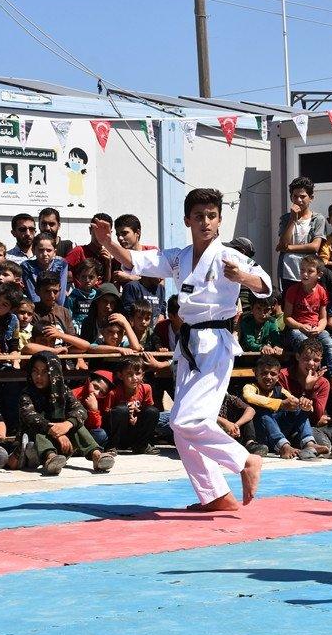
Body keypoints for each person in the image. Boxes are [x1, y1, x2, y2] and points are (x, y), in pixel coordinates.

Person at [93, 187, 271, 512]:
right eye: (199, 216)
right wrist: (109, 243)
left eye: (212, 216)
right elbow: (136, 260)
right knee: (179, 427)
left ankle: (245, 460)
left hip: (216, 344)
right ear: (187, 219)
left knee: (189, 421)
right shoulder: (178, 257)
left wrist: (243, 277)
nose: (206, 222)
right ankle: (217, 496)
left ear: (219, 220)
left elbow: (267, 285)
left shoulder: (229, 256)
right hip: (187, 344)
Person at [18, 352, 114, 476]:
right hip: (38, 441)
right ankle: (50, 459)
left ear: (54, 373)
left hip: (63, 441)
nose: (38, 376)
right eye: (35, 371)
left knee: (77, 424)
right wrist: (57, 432)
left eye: (45, 372)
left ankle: (96, 455)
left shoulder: (63, 390)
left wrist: (67, 424)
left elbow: (80, 410)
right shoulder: (27, 393)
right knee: (37, 429)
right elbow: (31, 417)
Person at [243, 354, 320, 460]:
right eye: (264, 373)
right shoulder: (250, 387)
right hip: (260, 436)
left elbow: (294, 401)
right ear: (255, 373)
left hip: (278, 432)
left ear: (278, 376)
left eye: (273, 374)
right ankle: (284, 447)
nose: (268, 377)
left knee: (298, 410)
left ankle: (309, 443)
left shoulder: (280, 390)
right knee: (263, 413)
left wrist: (305, 405)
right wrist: (281, 404)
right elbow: (249, 397)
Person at [283, 255, 332, 387]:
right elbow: (287, 317)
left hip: (315, 328)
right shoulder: (293, 290)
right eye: (302, 270)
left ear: (319, 274)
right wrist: (301, 326)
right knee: (301, 341)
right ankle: (308, 374)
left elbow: (323, 318)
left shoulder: (321, 292)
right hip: (298, 328)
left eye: (310, 271)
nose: (305, 274)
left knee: (328, 341)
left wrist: (319, 329)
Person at [277, 177, 328, 294]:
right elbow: (283, 243)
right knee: (289, 304)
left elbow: (315, 246)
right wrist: (292, 220)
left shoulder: (318, 219)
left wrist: (289, 248)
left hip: (309, 272)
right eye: (295, 196)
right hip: (288, 271)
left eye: (303, 196)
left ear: (311, 198)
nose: (299, 200)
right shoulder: (285, 218)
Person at [22, 233, 70, 306]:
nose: (45, 254)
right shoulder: (27, 266)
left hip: (57, 306)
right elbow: (32, 293)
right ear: (33, 250)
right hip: (36, 308)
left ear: (54, 252)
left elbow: (61, 292)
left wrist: (58, 309)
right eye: (41, 250)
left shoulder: (61, 264)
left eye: (49, 250)